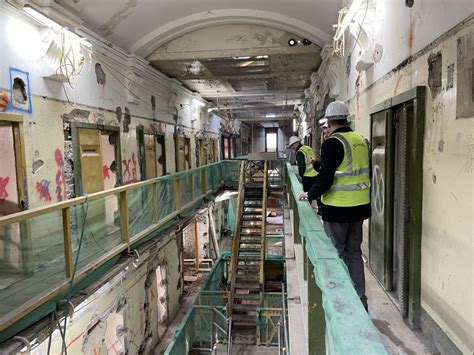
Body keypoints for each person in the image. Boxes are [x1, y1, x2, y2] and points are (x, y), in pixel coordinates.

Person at [299, 100, 371, 310]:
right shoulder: (360, 140)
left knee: (336, 253)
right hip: (360, 207)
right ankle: (360, 298)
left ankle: (340, 301)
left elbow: (326, 179)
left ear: (329, 122)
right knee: (354, 252)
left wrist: (310, 194)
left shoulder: (332, 143)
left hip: (338, 209)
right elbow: (345, 168)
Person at [288, 136, 318, 204]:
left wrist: (300, 176)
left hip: (307, 177)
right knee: (317, 193)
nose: (292, 147)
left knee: (308, 194)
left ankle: (309, 209)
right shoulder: (307, 148)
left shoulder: (299, 153)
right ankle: (320, 209)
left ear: (296, 143)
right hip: (316, 174)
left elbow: (302, 167)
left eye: (292, 145)